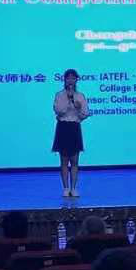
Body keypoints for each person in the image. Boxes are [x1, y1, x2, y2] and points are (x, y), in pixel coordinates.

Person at [52, 68, 88, 197]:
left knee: (74, 161)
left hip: (74, 127)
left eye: (73, 78)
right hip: (63, 127)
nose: (71, 80)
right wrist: (69, 102)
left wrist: (78, 109)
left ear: (76, 80)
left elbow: (85, 114)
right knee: (63, 161)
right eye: (68, 78)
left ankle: (74, 188)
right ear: (65, 80)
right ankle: (66, 188)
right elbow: (58, 112)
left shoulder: (80, 96)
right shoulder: (59, 95)